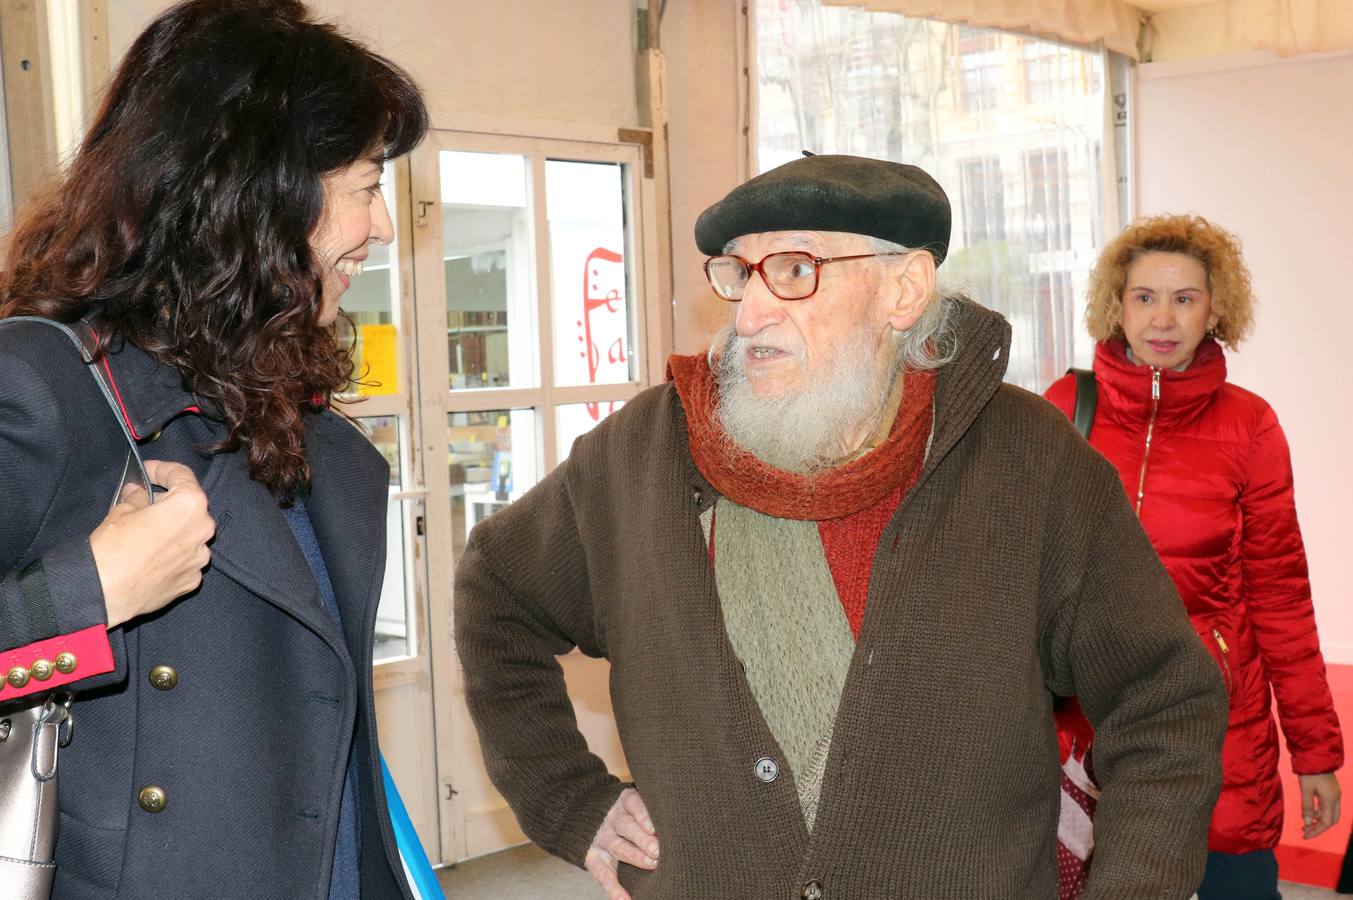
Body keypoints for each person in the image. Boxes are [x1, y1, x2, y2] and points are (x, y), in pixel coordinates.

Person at [454, 153, 1229, 899]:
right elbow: (496, 592)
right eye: (738, 274)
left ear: (904, 290)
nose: (750, 313)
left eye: (794, 272)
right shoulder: (645, 453)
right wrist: (566, 796)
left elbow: (1163, 700)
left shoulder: (1027, 461)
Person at [0, 0, 428, 896]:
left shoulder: (309, 429)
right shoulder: (40, 389)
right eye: (365, 184)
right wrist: (89, 592)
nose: (382, 228)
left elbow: (335, 781)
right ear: (260, 193)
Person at [1045, 214, 1344, 900]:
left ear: (1215, 309)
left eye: (1184, 298)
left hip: (1216, 726)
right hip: (1086, 723)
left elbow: (1280, 598)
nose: (1162, 317)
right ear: (1116, 305)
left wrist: (1315, 754)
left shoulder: (1249, 424)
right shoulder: (1064, 410)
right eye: (1144, 296)